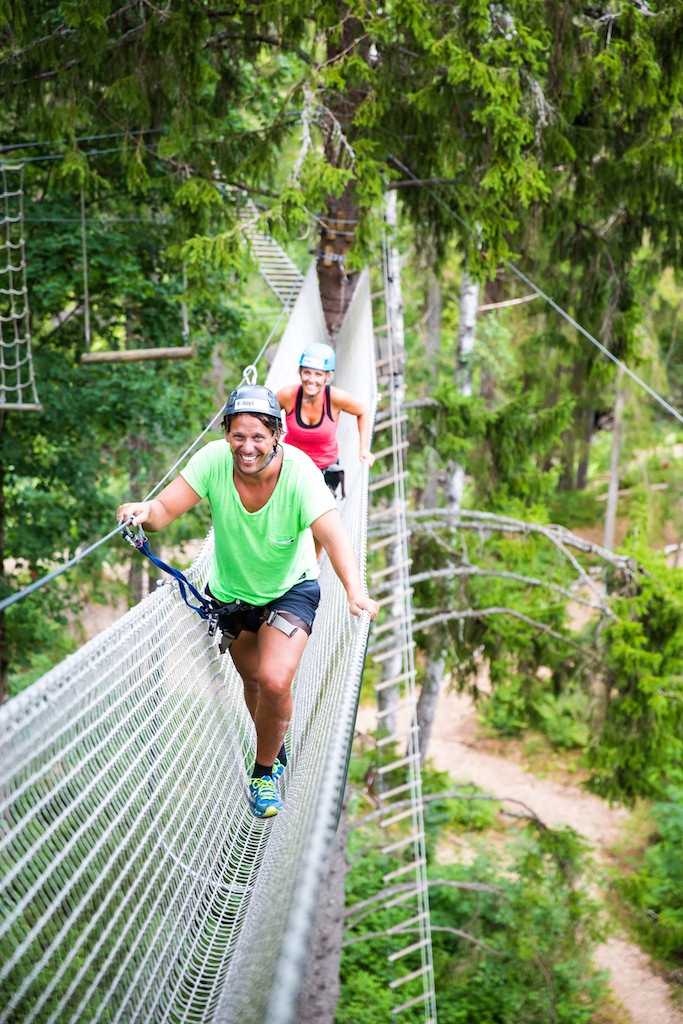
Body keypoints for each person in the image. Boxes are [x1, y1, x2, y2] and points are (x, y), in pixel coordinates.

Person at [117, 383, 379, 820]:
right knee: (253, 684)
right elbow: (164, 512)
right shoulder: (213, 462)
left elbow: (333, 536)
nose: (247, 446)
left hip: (290, 590)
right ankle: (276, 740)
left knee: (275, 680)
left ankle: (262, 774)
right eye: (238, 435)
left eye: (258, 436)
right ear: (226, 435)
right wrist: (142, 511)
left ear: (277, 434)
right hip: (232, 598)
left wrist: (356, 592)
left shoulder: (300, 473)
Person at [276, 342, 376, 500]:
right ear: (300, 372)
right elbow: (265, 416)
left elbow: (363, 411)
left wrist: (363, 449)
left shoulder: (334, 398)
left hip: (324, 471)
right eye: (306, 373)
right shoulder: (288, 396)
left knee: (317, 518)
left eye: (318, 374)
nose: (311, 380)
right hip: (291, 467)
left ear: (327, 377)